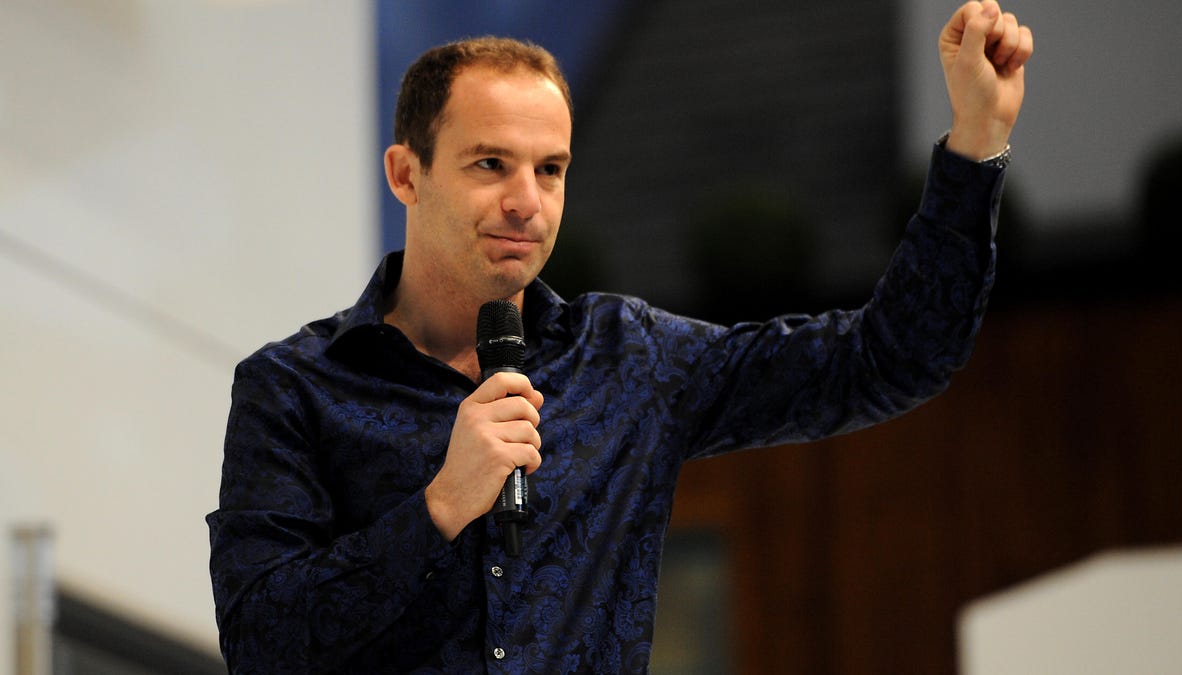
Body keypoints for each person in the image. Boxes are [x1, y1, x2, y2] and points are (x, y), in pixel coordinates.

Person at [206, 2, 1033, 672]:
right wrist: (438, 507)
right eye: (490, 164)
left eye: (551, 169)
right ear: (405, 173)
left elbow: (890, 359)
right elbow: (260, 644)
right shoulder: (296, 388)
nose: (527, 201)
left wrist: (976, 145)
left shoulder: (630, 359)